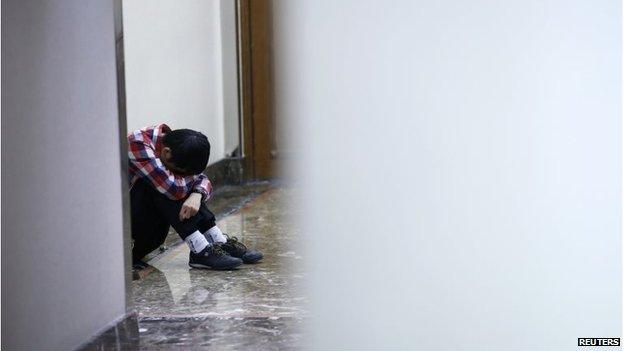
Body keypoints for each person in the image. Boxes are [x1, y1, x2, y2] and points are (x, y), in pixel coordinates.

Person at [128, 123, 263, 270]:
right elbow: (173, 188)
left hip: (147, 229)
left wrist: (197, 194)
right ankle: (200, 250)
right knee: (160, 185)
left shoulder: (173, 144)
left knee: (173, 183)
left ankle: (217, 241)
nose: (186, 177)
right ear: (166, 153)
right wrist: (193, 187)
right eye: (184, 172)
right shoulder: (137, 144)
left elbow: (199, 179)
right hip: (123, 237)